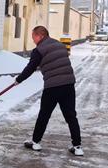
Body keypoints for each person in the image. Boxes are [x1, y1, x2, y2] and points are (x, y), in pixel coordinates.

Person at [16, 26, 83, 156]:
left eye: (33, 36)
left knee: (44, 114)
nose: (33, 39)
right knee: (70, 115)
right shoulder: (59, 45)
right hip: (69, 84)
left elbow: (30, 68)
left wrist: (18, 80)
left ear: (40, 36)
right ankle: (77, 146)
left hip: (52, 86)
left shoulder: (39, 50)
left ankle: (36, 142)